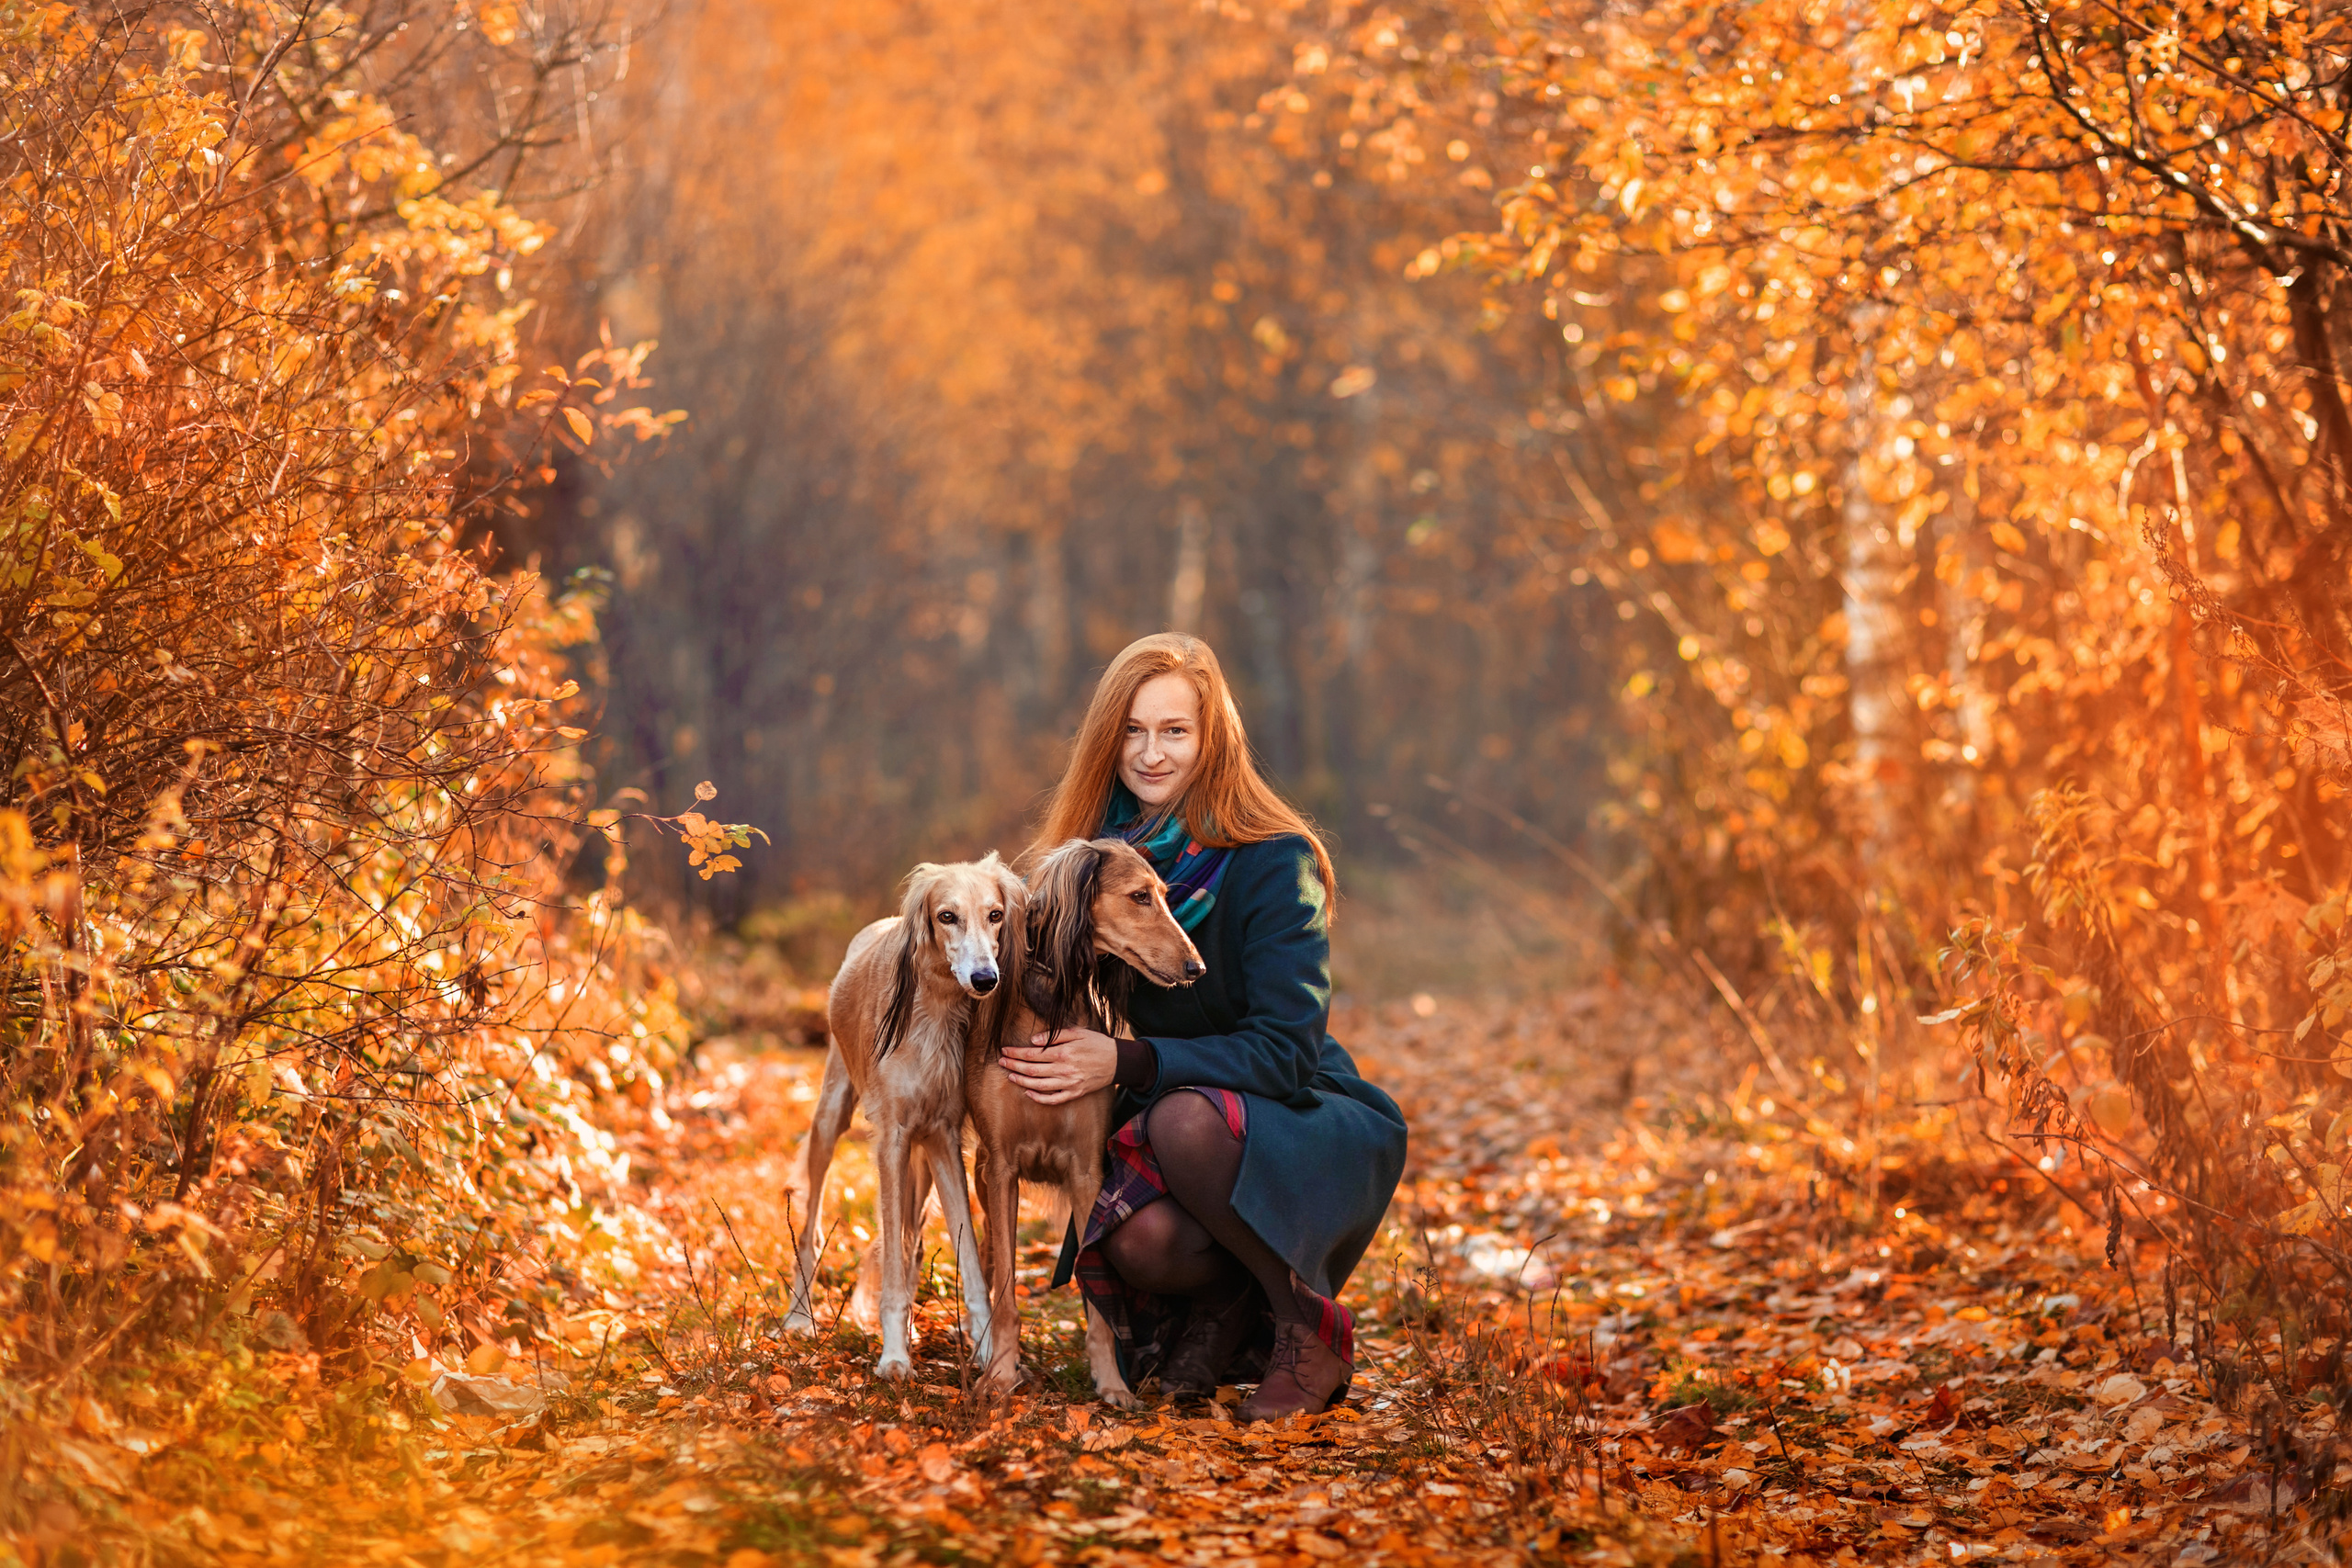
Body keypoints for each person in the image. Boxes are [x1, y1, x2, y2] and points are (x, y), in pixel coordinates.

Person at [998, 632, 1408, 1419]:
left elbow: (1286, 1051)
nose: (1151, 754)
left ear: (1210, 737)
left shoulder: (1272, 859)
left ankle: (1306, 1325)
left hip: (1294, 1112)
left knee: (1185, 1120)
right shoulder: (1091, 862)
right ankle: (1226, 1306)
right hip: (1171, 1122)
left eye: (1175, 730)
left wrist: (1126, 1059)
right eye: (1133, 730)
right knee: (1131, 1241)